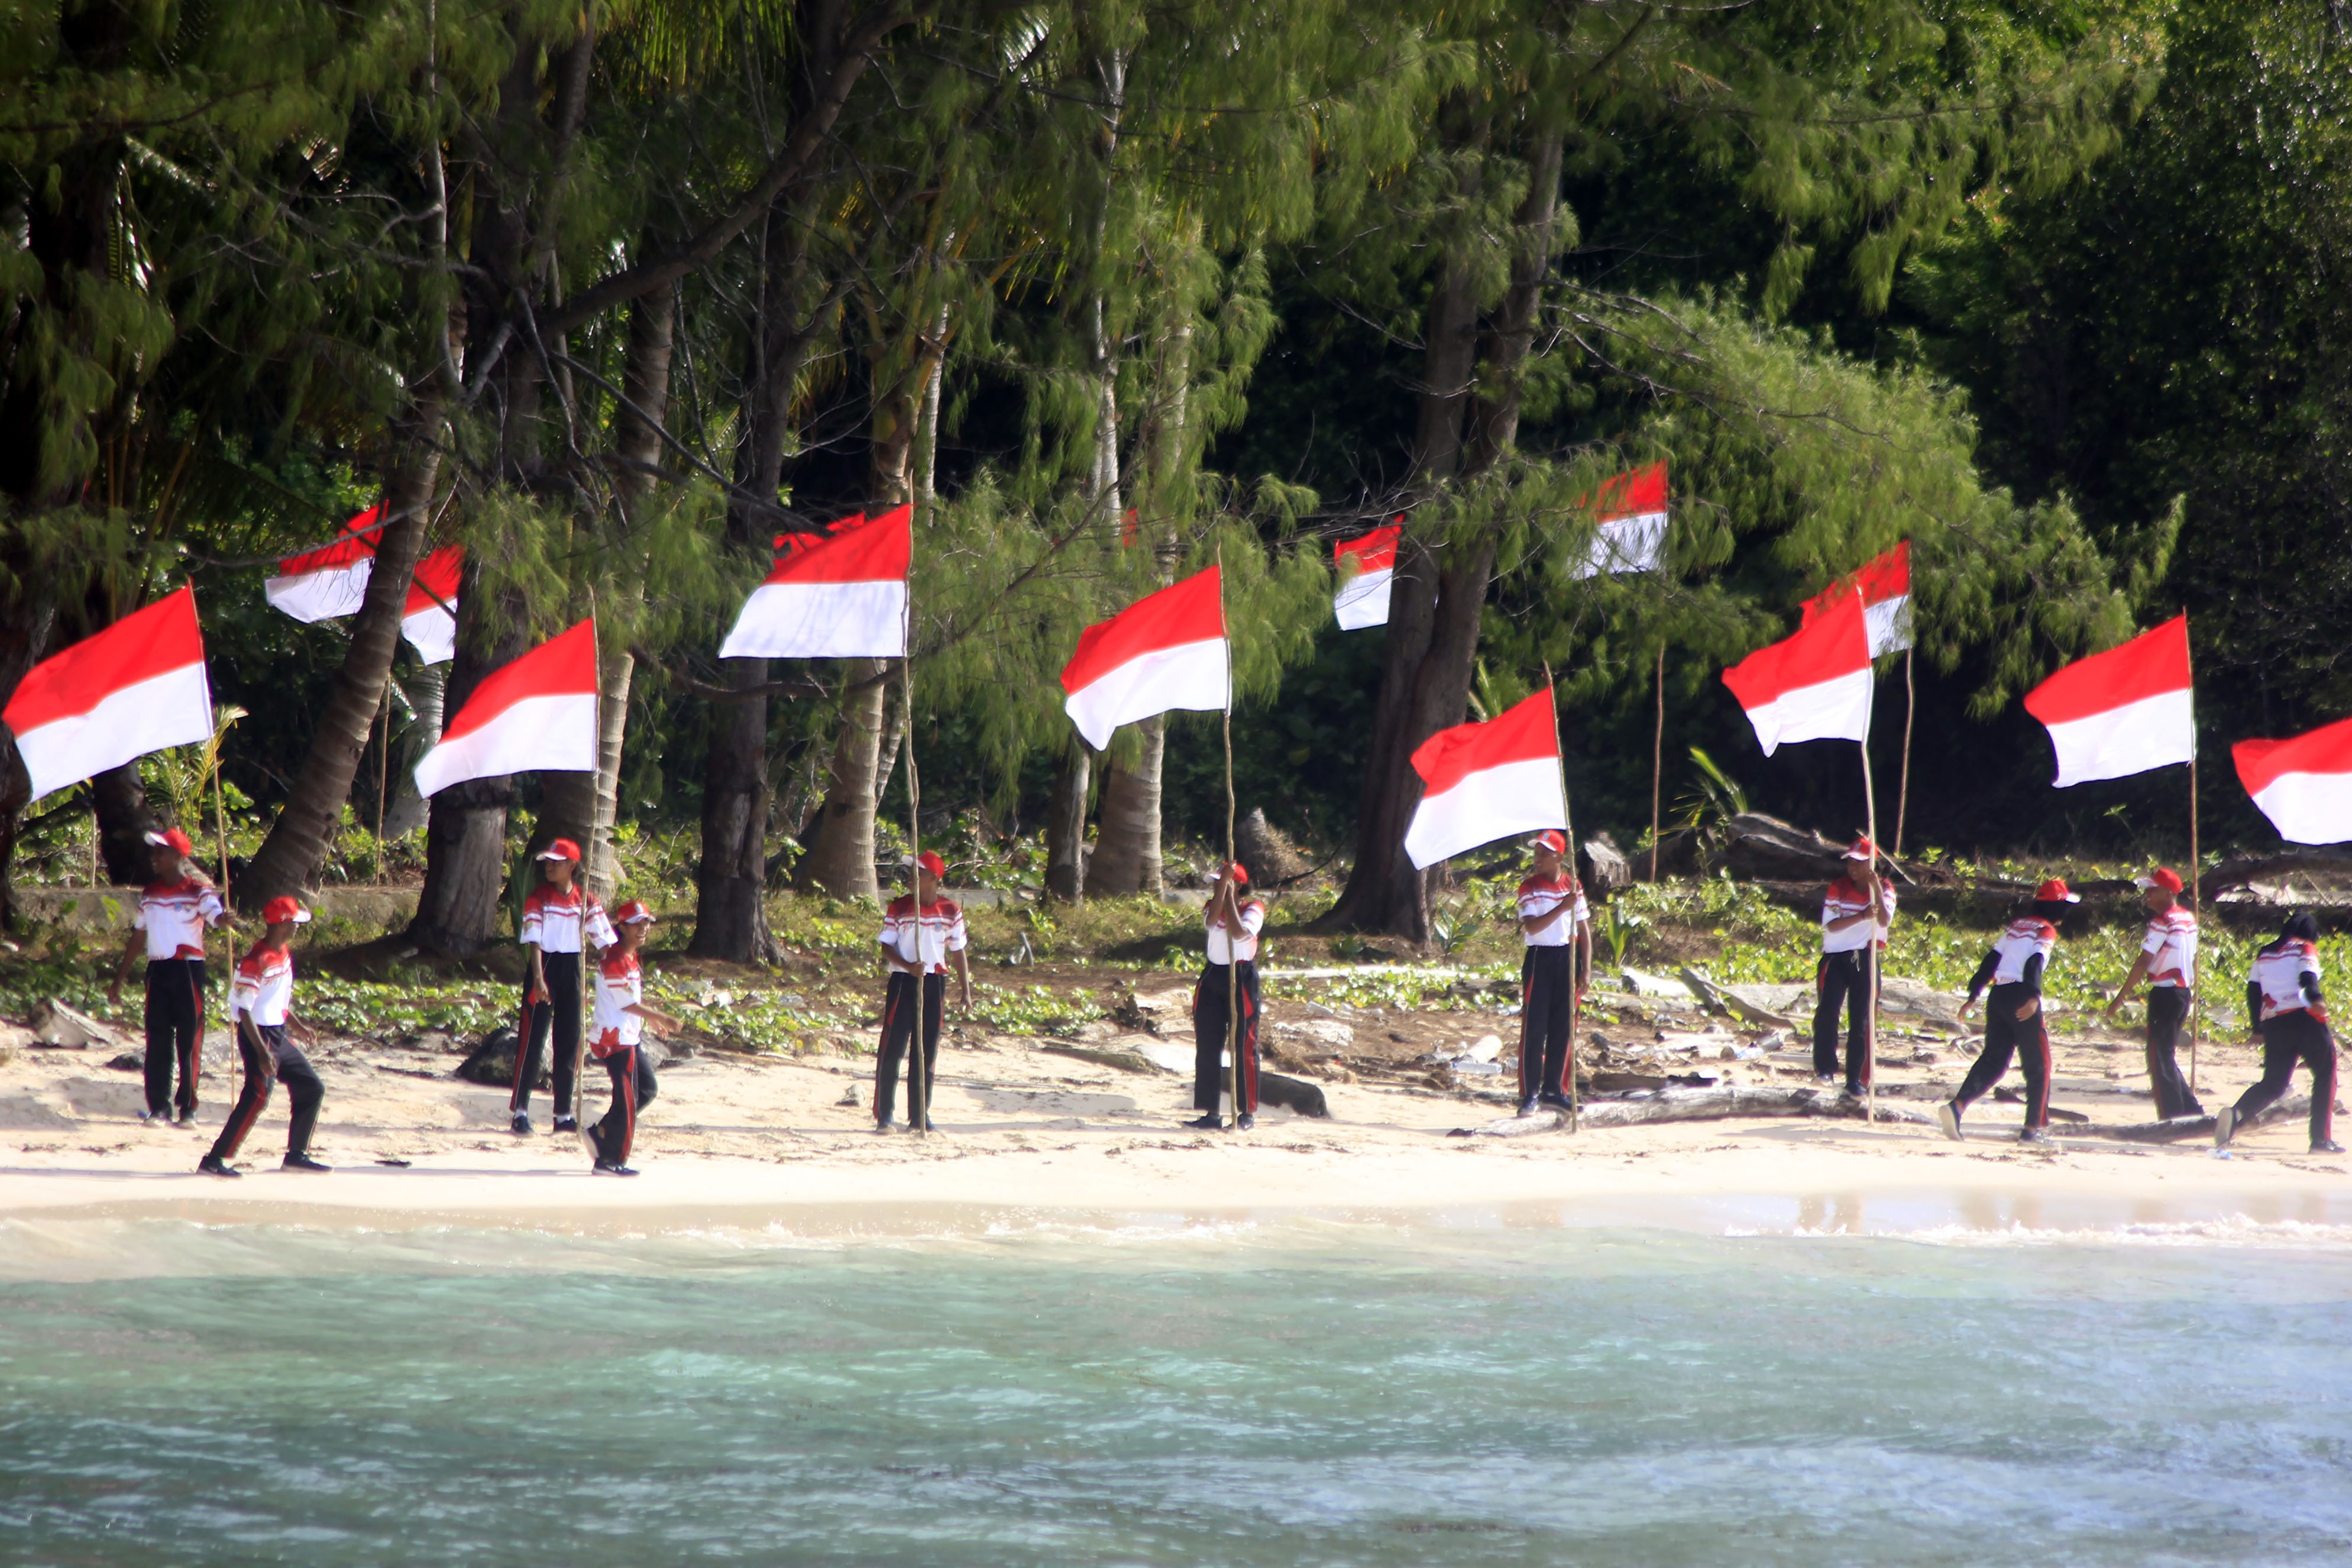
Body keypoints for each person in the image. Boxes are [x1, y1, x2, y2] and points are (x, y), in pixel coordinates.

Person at [1941, 877, 2079, 1145]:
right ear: (2057, 908)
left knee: (1994, 1060)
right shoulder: (2046, 929)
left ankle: (1956, 1107)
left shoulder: (2016, 926)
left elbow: (1992, 959)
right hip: (2020, 997)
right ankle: (2031, 1131)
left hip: (1999, 996)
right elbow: (2036, 961)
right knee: (2039, 1065)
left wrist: (1973, 994)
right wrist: (2034, 996)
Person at [199, 896, 328, 1177]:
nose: (298, 927)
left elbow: (277, 999)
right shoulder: (255, 961)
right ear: (283, 924)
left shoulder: (283, 952)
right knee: (257, 1096)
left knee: (312, 1088)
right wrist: (262, 1052)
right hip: (258, 1035)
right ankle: (215, 1159)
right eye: (294, 922)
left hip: (278, 1034)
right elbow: (244, 1011)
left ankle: (297, 1155)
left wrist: (296, 1025)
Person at [108, 827, 228, 1125]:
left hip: (188, 969)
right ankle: (159, 1107)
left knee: (190, 1040)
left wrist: (225, 919)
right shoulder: (150, 894)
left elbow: (216, 917)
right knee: (158, 1039)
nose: (155, 858)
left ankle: (188, 1106)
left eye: (161, 852)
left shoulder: (199, 891)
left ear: (178, 855)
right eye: (154, 852)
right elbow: (138, 936)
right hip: (158, 970)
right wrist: (120, 979)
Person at [510, 838, 615, 1136]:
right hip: (543, 968)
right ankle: (520, 1111)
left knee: (569, 1042)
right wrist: (539, 979)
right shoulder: (538, 898)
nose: (550, 867)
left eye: (557, 862)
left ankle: (563, 1114)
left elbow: (605, 943)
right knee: (532, 1040)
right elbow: (533, 940)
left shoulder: (586, 900)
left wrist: (617, 973)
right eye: (549, 862)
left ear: (572, 866)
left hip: (573, 969)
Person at [2218, 912, 2343, 1154]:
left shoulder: (2264, 953)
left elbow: (2253, 991)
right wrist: (2317, 1001)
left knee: (2274, 1083)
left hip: (2274, 1022)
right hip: (2305, 1020)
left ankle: (2235, 1116)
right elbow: (2307, 979)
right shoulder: (2305, 948)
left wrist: (2257, 1027)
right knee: (2326, 1073)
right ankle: (2321, 1141)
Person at [873, 850, 971, 1132]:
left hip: (934, 984)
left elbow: (958, 951)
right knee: (893, 1047)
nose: (911, 878)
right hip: (904, 981)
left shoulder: (950, 910)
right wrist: (907, 965)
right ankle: (885, 1115)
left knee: (926, 1051)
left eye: (918, 873)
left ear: (934, 878)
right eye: (910, 873)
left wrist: (966, 991)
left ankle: (920, 1116)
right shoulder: (900, 907)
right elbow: (886, 946)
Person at [582, 900, 680, 1176]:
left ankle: (600, 1132)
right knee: (627, 1101)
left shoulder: (630, 957)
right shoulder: (615, 960)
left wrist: (649, 1019)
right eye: (637, 924)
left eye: (646, 923)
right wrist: (662, 1017)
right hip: (614, 1040)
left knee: (646, 1090)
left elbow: (629, 1000)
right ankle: (610, 1160)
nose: (643, 929)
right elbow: (625, 1003)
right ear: (622, 927)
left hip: (629, 1036)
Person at [2102, 866, 2204, 1119]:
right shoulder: (2188, 919)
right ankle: (2190, 1111)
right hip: (2182, 993)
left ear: (2168, 892)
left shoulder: (2162, 922)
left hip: (2166, 994)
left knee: (2158, 1056)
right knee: (2165, 1054)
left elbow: (2143, 961)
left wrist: (2119, 999)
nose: (2147, 894)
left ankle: (2171, 1116)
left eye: (2153, 889)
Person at [1515, 830, 1591, 1117]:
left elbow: (1583, 928)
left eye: (1545, 853)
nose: (1539, 858)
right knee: (1535, 1028)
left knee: (1564, 1027)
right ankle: (1530, 1092)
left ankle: (1555, 1090)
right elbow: (1533, 928)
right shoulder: (1529, 888)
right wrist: (1562, 907)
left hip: (1567, 956)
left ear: (1559, 856)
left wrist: (1586, 967)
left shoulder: (1573, 886)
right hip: (1540, 958)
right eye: (1537, 853)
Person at [1813, 836, 1894, 1097]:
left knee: (1861, 1021)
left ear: (1872, 864)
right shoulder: (1838, 887)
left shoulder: (1885, 887)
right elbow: (1831, 925)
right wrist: (1860, 916)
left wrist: (1876, 889)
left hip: (1866, 958)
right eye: (1850, 861)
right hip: (1836, 958)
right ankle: (1825, 1069)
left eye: (1859, 862)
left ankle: (1855, 1080)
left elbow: (1884, 920)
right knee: (1827, 1013)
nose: (1853, 867)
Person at [1189, 863, 1265, 1131]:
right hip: (1213, 977)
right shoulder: (1212, 906)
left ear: (1239, 885)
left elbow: (1238, 933)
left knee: (1244, 1044)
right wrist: (1224, 892)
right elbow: (1212, 922)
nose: (1216, 886)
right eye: (1216, 882)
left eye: (1222, 882)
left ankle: (1246, 1113)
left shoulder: (1254, 909)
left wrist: (1232, 897)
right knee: (1208, 1045)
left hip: (1241, 977)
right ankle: (1211, 1112)